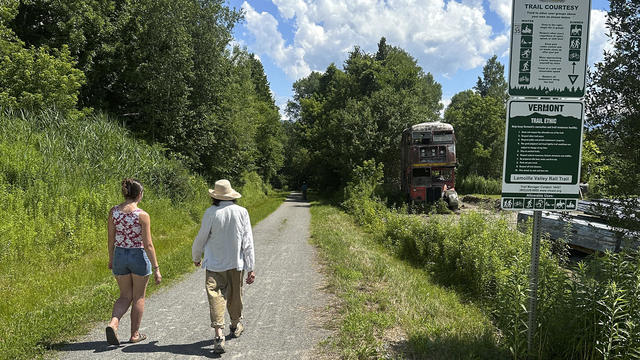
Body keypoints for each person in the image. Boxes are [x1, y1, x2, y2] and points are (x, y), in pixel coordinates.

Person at [192, 179, 255, 354]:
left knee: (215, 296)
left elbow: (201, 237)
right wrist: (251, 267)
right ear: (231, 196)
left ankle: (219, 334)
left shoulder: (211, 212)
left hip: (214, 264)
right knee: (235, 295)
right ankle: (235, 325)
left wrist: (196, 256)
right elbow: (247, 242)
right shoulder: (242, 212)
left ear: (215, 197)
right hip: (236, 263)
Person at [106, 179, 161, 345]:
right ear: (139, 195)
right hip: (138, 255)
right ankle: (134, 334)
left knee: (124, 296)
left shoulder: (113, 212)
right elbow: (148, 244)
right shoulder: (142, 215)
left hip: (120, 255)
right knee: (138, 297)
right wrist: (156, 268)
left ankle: (113, 323)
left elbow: (110, 239)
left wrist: (111, 259)